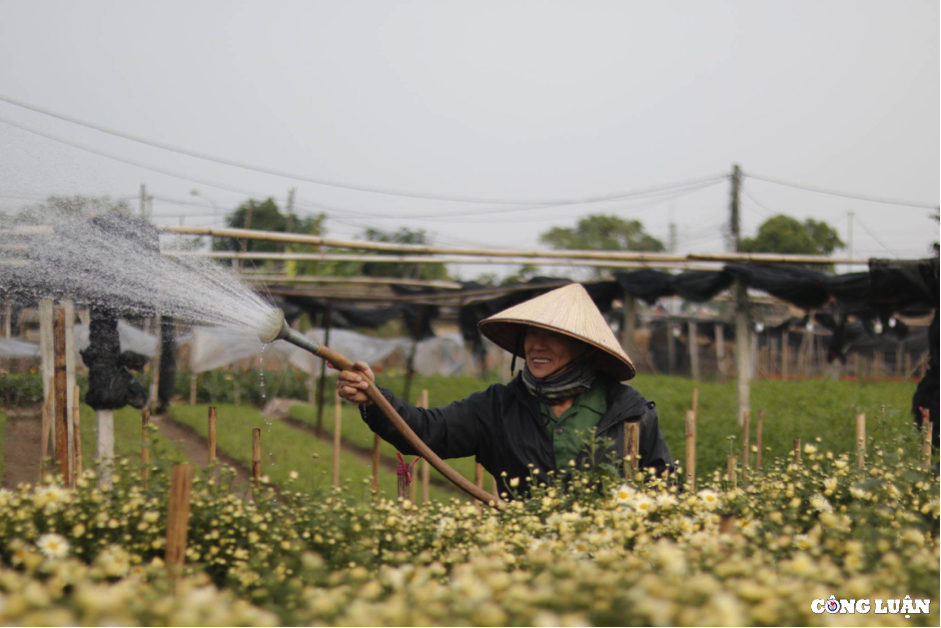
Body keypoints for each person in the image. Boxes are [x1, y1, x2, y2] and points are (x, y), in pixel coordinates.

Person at [337, 283, 674, 497]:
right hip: (523, 560)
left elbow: (663, 487)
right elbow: (427, 430)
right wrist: (376, 399)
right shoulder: (498, 407)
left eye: (553, 336)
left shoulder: (629, 412)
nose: (537, 345)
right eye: (530, 334)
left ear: (584, 348)